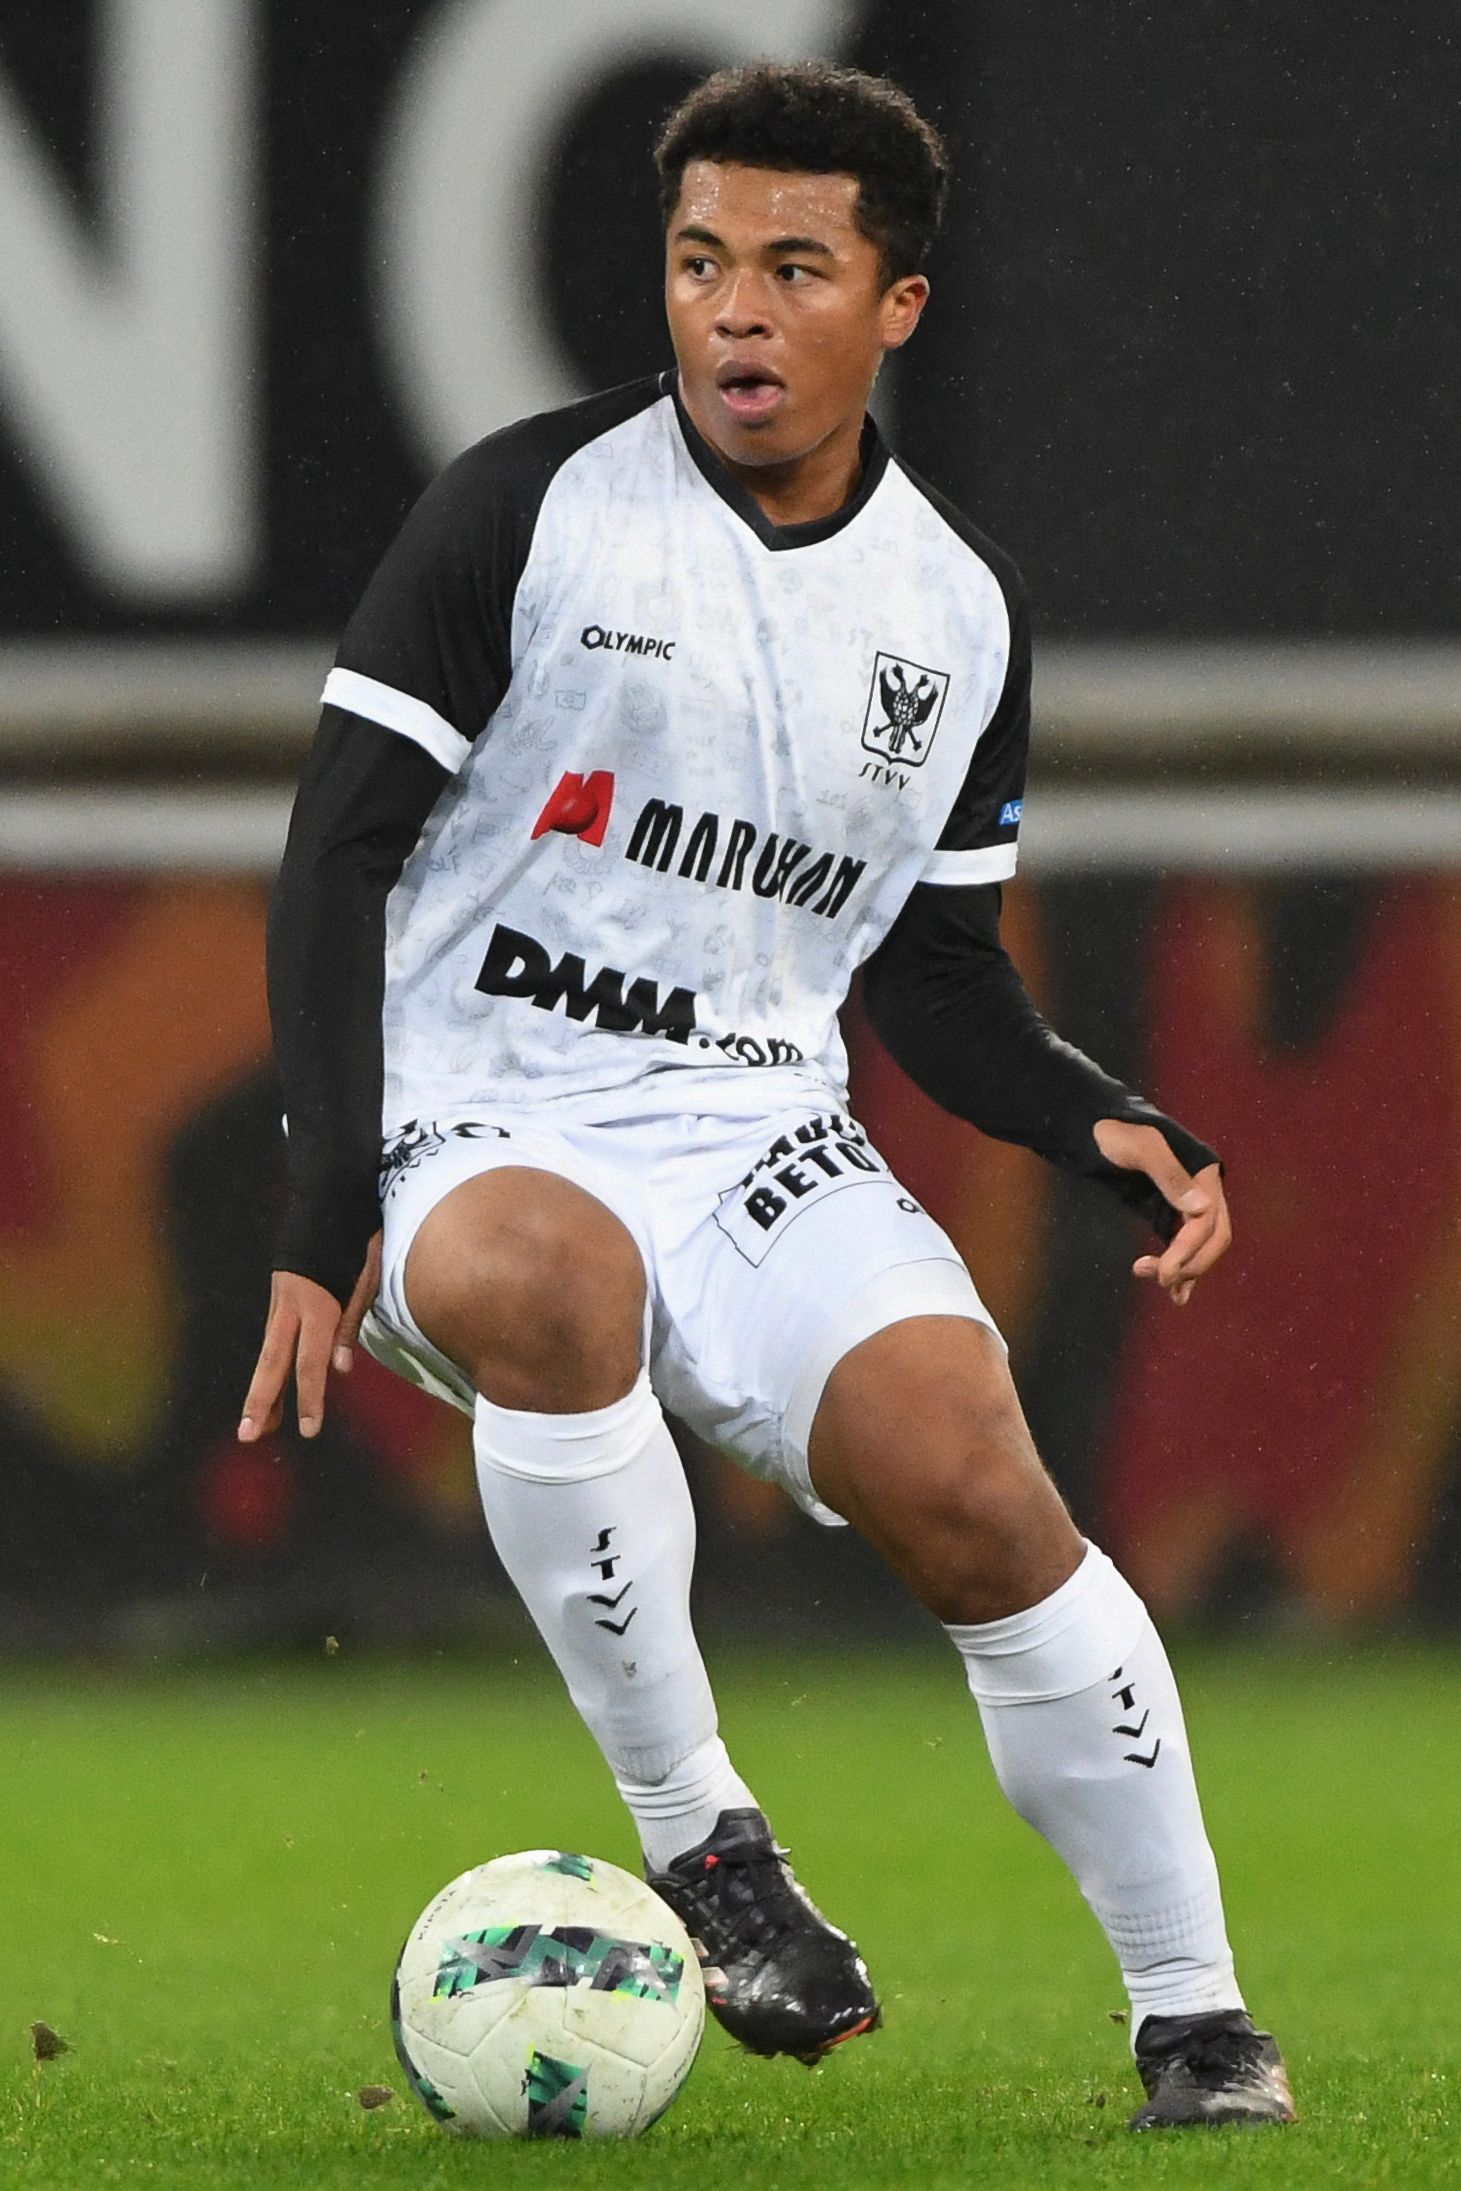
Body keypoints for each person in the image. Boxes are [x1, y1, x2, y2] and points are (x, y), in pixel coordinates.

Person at [240, 61, 1293, 2131]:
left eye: (794, 268)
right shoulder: (527, 507)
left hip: (749, 1128)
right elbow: (334, 854)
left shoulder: (955, 611)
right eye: (699, 259)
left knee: (973, 1475)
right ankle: (706, 1847)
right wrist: (324, 1196)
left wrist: (1089, 1111)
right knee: (556, 1281)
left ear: (895, 305)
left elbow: (930, 967)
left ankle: (1194, 2018)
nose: (733, 308)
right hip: (480, 1109)